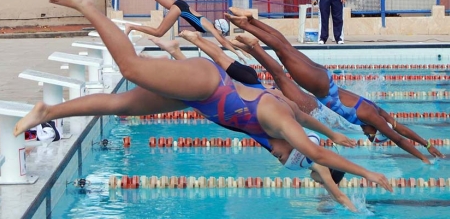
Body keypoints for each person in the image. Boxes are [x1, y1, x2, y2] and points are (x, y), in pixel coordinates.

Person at [14, 0, 394, 201]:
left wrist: (336, 137)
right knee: (130, 69)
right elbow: (318, 154)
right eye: (285, 154)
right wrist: (368, 171)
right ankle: (88, 7)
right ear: (289, 143)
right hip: (207, 84)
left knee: (119, 105)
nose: (278, 158)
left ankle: (48, 110)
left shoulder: (280, 128)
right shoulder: (277, 121)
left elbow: (310, 131)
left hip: (204, 100)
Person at [150, 31, 361, 211]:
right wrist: (355, 209)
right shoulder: (316, 162)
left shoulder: (300, 142)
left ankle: (182, 47)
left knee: (213, 74)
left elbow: (305, 118)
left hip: (253, 88)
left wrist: (333, 135)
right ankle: (180, 50)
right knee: (205, 89)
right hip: (249, 98)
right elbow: (337, 193)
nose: (321, 183)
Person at [225, 7, 445, 164]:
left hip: (324, 79)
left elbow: (398, 128)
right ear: (376, 130)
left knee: (286, 49)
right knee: (283, 54)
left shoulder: (378, 112)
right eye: (372, 136)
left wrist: (427, 144)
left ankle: (251, 21)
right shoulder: (371, 117)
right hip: (320, 86)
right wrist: (423, 159)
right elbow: (397, 138)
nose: (368, 136)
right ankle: (247, 27)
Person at [118, 0, 247, 61]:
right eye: (222, 32)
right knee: (158, 32)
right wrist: (237, 53)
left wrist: (239, 50)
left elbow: (225, 41)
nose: (221, 35)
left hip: (182, 5)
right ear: (219, 29)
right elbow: (223, 42)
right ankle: (131, 26)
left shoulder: (209, 24)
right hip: (180, 9)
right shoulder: (210, 27)